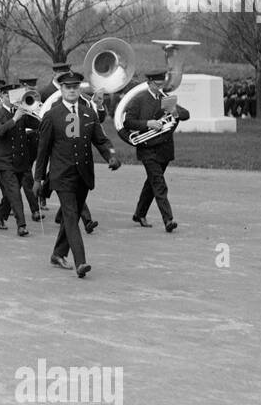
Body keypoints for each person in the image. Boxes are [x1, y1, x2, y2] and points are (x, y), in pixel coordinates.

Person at [32, 70, 121, 278]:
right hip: (61, 176)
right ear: (61, 89)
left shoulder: (88, 113)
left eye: (75, 87)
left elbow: (101, 140)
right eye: (67, 87)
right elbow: (42, 151)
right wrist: (38, 178)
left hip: (84, 175)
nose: (71, 90)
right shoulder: (51, 116)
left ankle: (57, 253)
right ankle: (80, 262)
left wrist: (111, 156)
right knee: (71, 217)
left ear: (79, 89)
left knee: (70, 215)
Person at [124, 68, 191, 233]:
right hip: (147, 149)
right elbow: (128, 122)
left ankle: (139, 214)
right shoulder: (139, 99)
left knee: (152, 183)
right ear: (149, 83)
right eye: (156, 84)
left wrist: (176, 112)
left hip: (164, 149)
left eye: (162, 84)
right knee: (159, 183)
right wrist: (148, 123)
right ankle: (168, 219)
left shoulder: (166, 99)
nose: (159, 87)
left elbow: (186, 114)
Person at [0, 90, 35, 236]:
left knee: (10, 194)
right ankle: (21, 225)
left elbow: (37, 124)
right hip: (5, 162)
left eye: (14, 96)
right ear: (1, 97)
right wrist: (15, 119)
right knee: (15, 194)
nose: (12, 99)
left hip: (21, 161)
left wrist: (35, 110)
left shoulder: (21, 112)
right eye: (8, 96)